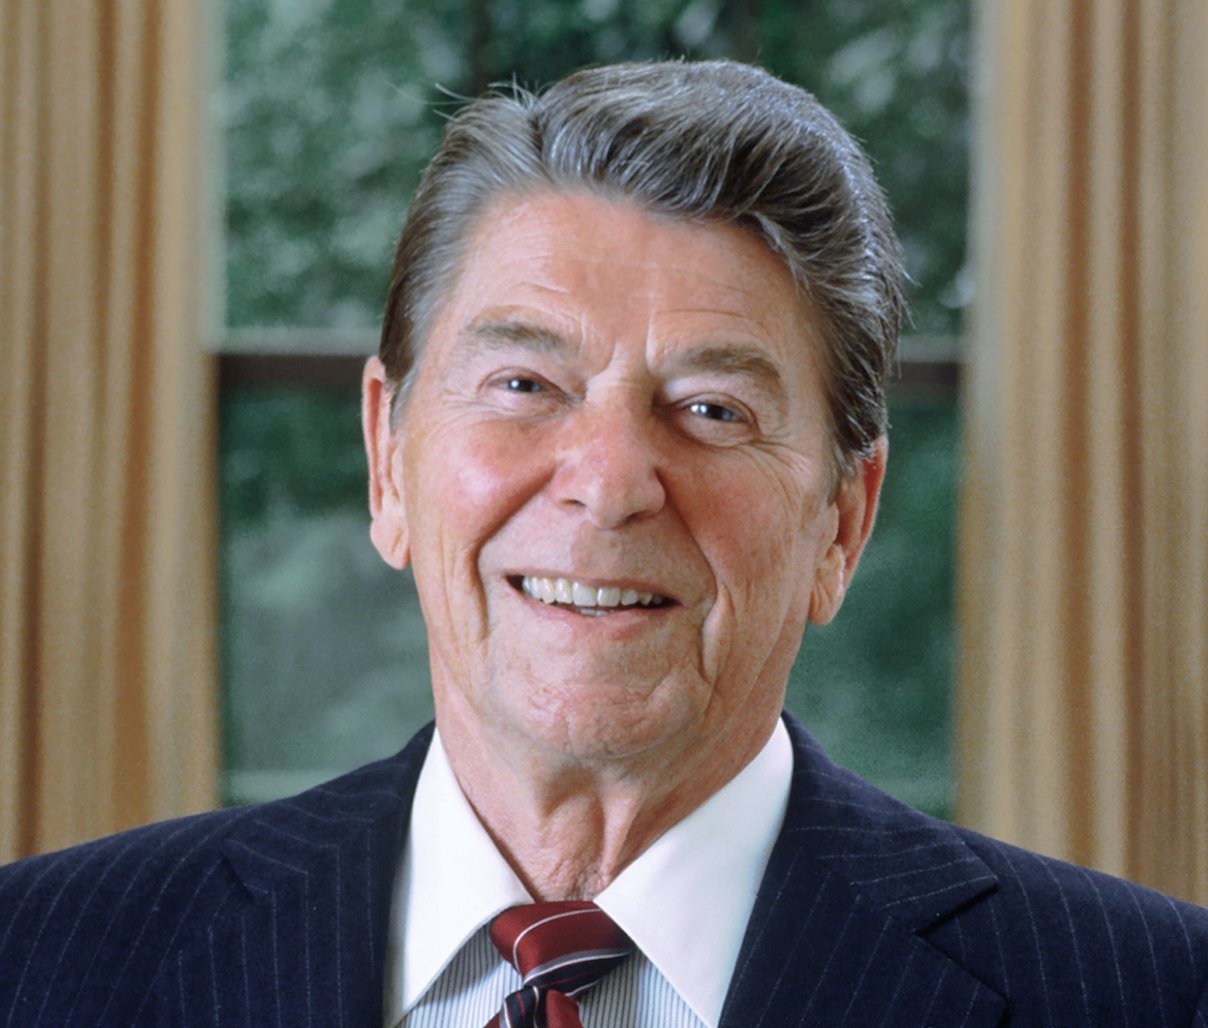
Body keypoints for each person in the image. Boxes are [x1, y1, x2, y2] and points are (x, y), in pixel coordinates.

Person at [1, 59, 1205, 1028]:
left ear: (841, 519)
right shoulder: (39, 958)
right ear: (386, 457)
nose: (611, 483)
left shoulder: (1145, 992)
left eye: (712, 409)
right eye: (524, 383)